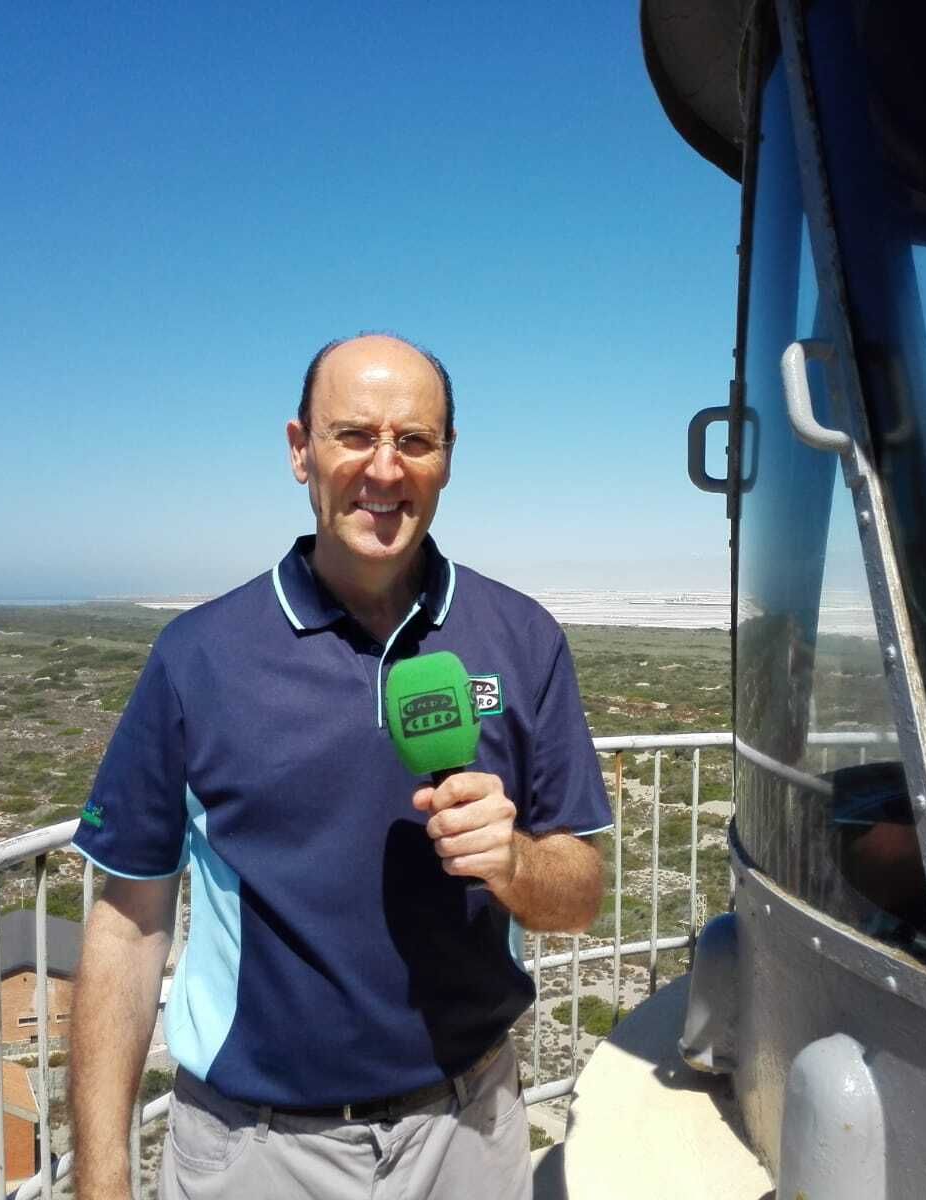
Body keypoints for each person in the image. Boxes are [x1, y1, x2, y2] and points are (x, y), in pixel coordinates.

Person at [68, 333, 612, 1200]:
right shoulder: (198, 657)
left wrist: (514, 862)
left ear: (447, 461)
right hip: (257, 1150)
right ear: (300, 451)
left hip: (469, 1128)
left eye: (414, 441)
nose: (384, 470)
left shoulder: (524, 638)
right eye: (354, 435)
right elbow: (128, 930)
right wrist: (100, 1183)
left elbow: (579, 894)